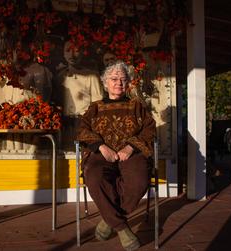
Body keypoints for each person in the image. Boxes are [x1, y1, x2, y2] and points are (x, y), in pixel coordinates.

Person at [76, 61, 156, 251]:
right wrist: (102, 147)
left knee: (138, 181)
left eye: (123, 79)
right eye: (113, 79)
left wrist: (129, 148)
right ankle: (121, 228)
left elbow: (149, 130)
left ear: (128, 83)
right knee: (94, 177)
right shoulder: (94, 107)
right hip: (101, 154)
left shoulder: (137, 106)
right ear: (105, 83)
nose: (118, 82)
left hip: (131, 154)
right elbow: (82, 130)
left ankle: (108, 220)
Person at [53, 40, 104, 149]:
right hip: (65, 125)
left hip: (84, 123)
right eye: (68, 51)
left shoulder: (91, 76)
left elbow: (98, 104)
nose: (71, 55)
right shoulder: (60, 77)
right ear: (63, 53)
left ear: (82, 53)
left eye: (76, 51)